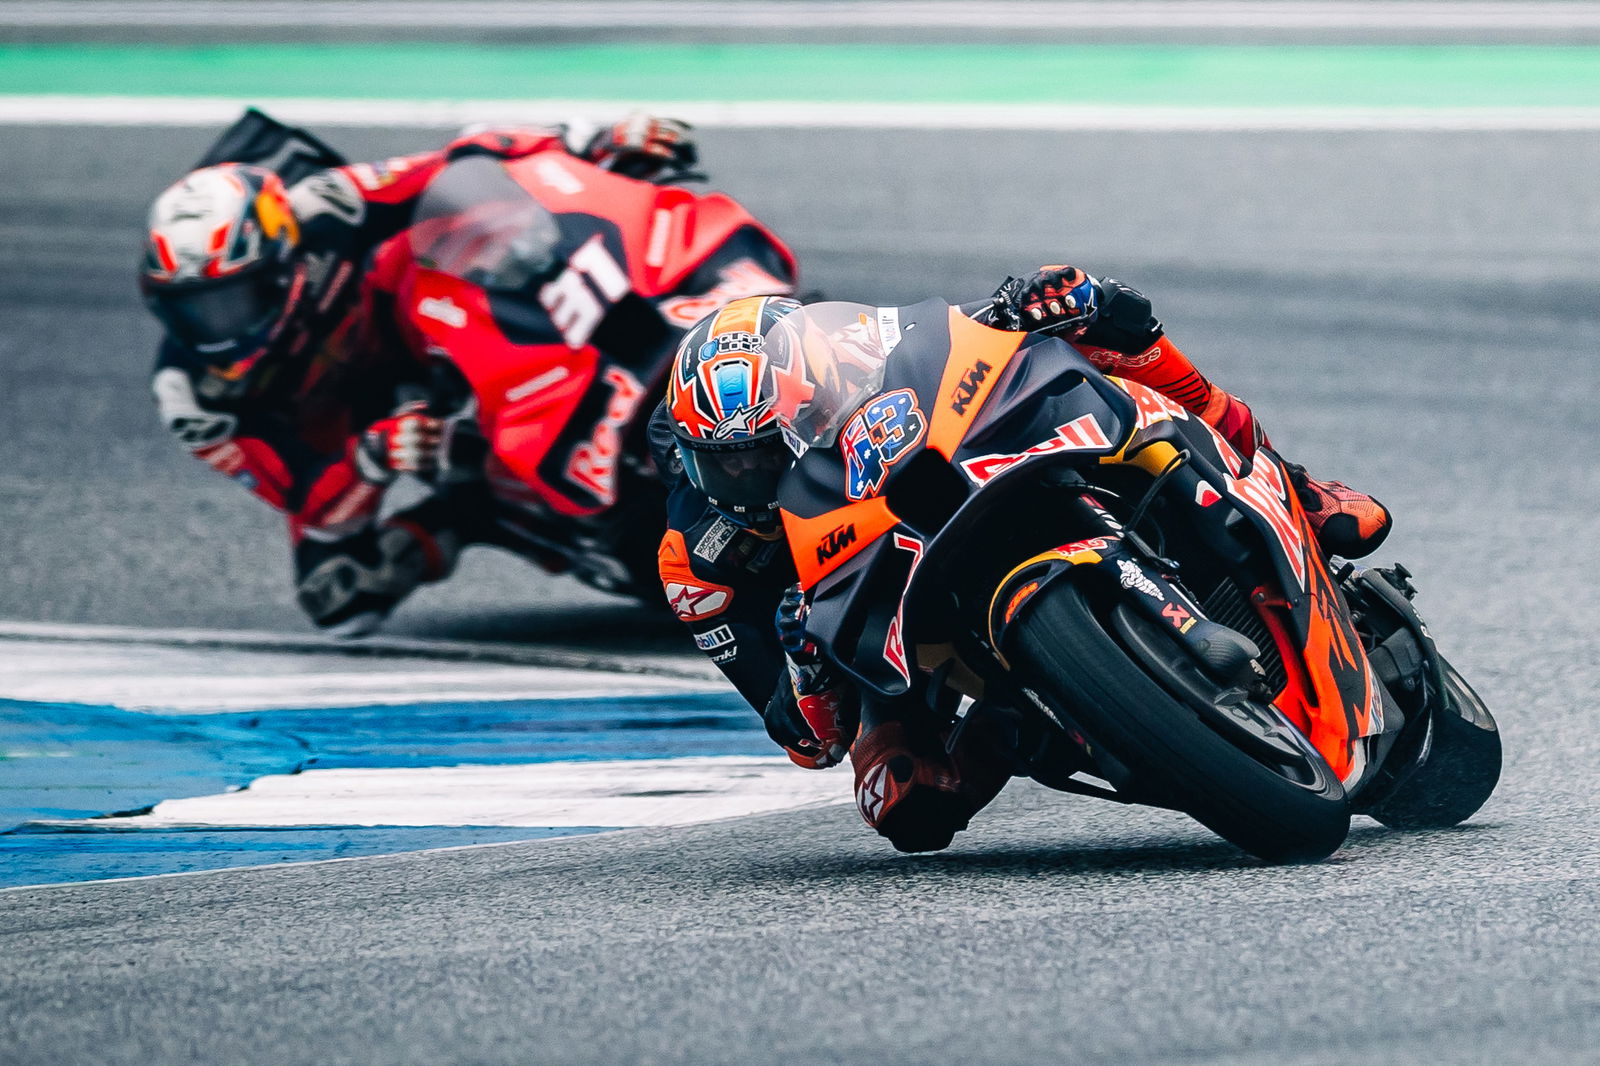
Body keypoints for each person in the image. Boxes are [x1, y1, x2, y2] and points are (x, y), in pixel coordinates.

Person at [653, 270, 1392, 852]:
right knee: (901, 805)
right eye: (727, 465)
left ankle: (1291, 479)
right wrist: (800, 663)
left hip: (932, 488)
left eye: (762, 453)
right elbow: (807, 741)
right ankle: (1019, 724)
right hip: (878, 629)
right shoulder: (697, 562)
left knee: (1099, 334)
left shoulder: (854, 356)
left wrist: (1062, 300)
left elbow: (951, 337)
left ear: (809, 395)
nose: (748, 477)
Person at [140, 114, 697, 634]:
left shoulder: (327, 204)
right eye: (194, 309)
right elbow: (304, 495)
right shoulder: (199, 400)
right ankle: (473, 515)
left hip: (432, 329)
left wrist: (591, 143)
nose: (216, 330)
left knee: (462, 233)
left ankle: (660, 312)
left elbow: (462, 157)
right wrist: (371, 457)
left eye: (235, 300)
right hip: (379, 428)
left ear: (288, 260)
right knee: (340, 597)